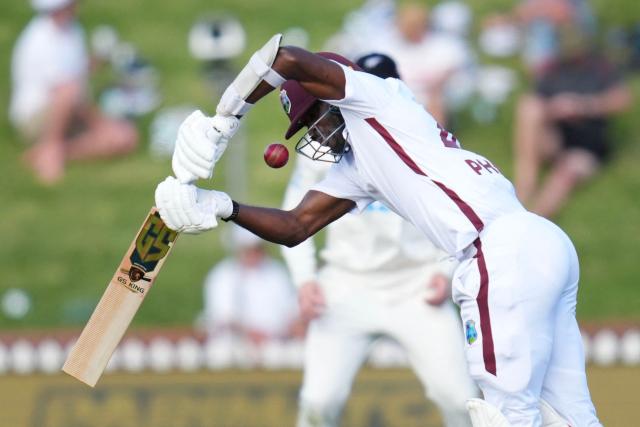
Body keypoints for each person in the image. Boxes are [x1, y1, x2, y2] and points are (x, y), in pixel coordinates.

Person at [154, 35, 602, 426]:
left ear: (331, 92)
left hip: (495, 252)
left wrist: (225, 118)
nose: (314, 133)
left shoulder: (374, 95)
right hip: (541, 244)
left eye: (314, 118)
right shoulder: (358, 168)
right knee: (569, 416)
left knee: (507, 415)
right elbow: (295, 226)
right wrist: (223, 207)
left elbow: (286, 58)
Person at [281, 53, 477, 427]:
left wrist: (449, 270)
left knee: (458, 398)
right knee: (319, 403)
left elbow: (461, 208)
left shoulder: (421, 135)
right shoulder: (322, 154)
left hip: (417, 285)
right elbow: (293, 216)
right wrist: (305, 280)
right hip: (346, 284)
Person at [9, 0, 138, 184]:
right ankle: (50, 149)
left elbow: (77, 75)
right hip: (37, 118)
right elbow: (66, 94)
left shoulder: (72, 30)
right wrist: (99, 123)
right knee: (70, 92)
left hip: (69, 115)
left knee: (125, 137)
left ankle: (50, 153)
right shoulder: (42, 39)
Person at [513, 25, 632, 218]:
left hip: (586, 146)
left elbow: (622, 100)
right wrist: (557, 109)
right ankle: (524, 187)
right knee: (529, 107)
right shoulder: (552, 69)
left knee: (566, 172)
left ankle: (533, 219)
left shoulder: (600, 67)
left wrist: (583, 106)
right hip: (556, 138)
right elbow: (537, 103)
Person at [202, 225, 301, 347]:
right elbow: (223, 317)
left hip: (276, 343)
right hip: (235, 345)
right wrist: (251, 334)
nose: (254, 253)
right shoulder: (223, 275)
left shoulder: (277, 272)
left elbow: (291, 311)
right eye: (249, 249)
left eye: (257, 248)